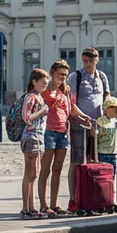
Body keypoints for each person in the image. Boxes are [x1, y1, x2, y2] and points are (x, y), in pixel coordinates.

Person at [39, 60, 91, 216]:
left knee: (57, 170)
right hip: (48, 132)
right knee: (45, 170)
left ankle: (54, 205)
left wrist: (84, 117)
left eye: (65, 75)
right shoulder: (44, 91)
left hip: (62, 132)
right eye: (60, 74)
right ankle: (43, 205)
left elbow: (72, 109)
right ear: (52, 73)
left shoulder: (66, 91)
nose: (62, 78)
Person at [67, 47, 111, 194]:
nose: (88, 64)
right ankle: (74, 196)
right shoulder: (76, 77)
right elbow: (71, 102)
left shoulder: (102, 77)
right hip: (79, 125)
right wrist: (82, 117)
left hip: (97, 126)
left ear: (97, 60)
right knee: (77, 161)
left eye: (91, 61)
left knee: (93, 160)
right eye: (85, 61)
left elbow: (106, 97)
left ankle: (91, 195)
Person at [19, 69, 50, 219]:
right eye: (43, 82)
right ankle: (26, 208)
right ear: (34, 82)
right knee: (31, 174)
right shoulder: (31, 97)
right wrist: (42, 111)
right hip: (31, 137)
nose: (45, 85)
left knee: (33, 174)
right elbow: (27, 117)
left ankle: (31, 207)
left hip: (37, 137)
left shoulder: (38, 96)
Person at [92, 96, 117, 167]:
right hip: (102, 153)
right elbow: (94, 136)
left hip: (112, 153)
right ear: (108, 109)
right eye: (115, 108)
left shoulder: (113, 120)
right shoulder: (100, 122)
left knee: (112, 173)